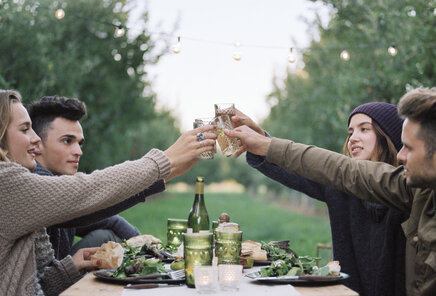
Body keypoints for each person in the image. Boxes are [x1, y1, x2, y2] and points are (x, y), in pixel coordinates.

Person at [0, 89, 216, 296]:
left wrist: (68, 269)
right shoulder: (6, 183)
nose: (35, 139)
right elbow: (88, 192)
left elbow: (30, 285)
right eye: (24, 129)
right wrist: (164, 162)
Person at [226, 87, 436, 296]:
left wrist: (265, 143)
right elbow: (318, 167)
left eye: (364, 129)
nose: (353, 138)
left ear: (388, 136)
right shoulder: (342, 188)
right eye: (350, 132)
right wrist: (262, 141)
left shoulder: (413, 190)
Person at [28, 96, 152, 260]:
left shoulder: (63, 185)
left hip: (57, 274)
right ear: (37, 145)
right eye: (67, 141)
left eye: (80, 143)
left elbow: (109, 220)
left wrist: (147, 248)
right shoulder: (32, 184)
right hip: (40, 283)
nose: (78, 151)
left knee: (106, 235)